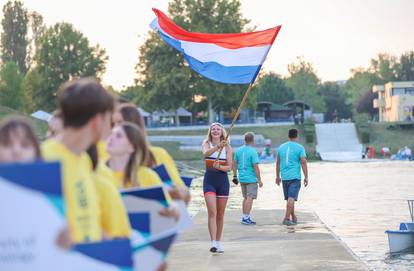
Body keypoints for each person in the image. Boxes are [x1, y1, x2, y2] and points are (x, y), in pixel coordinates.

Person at [42, 77, 114, 244]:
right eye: (109, 120)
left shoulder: (83, 160)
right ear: (97, 121)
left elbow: (84, 219)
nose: (111, 127)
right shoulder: (44, 160)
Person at [112, 103, 190, 204]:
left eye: (120, 122)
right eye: (112, 124)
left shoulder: (157, 155)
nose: (115, 128)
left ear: (134, 125)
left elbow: (184, 195)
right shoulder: (106, 157)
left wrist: (174, 192)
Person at [106, 121, 179, 220]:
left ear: (131, 147)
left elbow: (168, 206)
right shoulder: (96, 173)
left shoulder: (147, 175)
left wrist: (173, 209)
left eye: (118, 136)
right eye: (111, 134)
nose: (110, 138)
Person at [202, 122, 233, 253]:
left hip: (222, 182)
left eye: (218, 129)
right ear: (210, 132)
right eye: (213, 129)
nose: (215, 131)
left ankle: (219, 242)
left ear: (222, 132)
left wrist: (220, 167)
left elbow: (229, 167)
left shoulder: (228, 148)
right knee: (212, 212)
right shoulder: (206, 143)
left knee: (220, 214)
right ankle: (213, 242)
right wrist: (217, 147)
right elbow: (205, 154)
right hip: (209, 181)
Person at [275, 128, 308, 226]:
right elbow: (303, 162)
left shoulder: (281, 147)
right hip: (295, 177)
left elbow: (277, 163)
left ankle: (293, 217)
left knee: (290, 198)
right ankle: (286, 218)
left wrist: (277, 176)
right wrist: (306, 176)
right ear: (296, 136)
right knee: (291, 198)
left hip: (284, 177)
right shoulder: (300, 147)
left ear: (288, 136)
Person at [233, 132, 263, 225]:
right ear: (252, 140)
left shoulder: (238, 150)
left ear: (245, 140)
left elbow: (234, 164)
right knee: (250, 197)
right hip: (251, 179)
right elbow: (255, 167)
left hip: (242, 178)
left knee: (245, 198)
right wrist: (259, 179)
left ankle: (245, 217)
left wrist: (235, 176)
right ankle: (246, 218)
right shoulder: (253, 151)